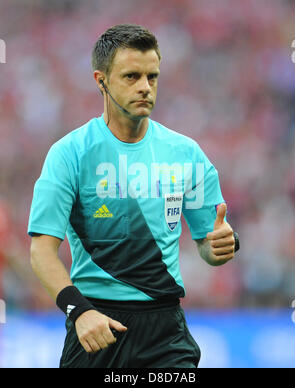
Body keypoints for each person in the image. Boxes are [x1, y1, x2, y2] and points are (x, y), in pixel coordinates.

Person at [28, 24, 239, 368]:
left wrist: (219, 247)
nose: (145, 87)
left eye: (152, 77)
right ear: (101, 81)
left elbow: (208, 245)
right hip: (96, 325)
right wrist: (79, 312)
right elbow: (41, 251)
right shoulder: (69, 154)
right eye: (131, 76)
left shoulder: (186, 153)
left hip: (166, 333)